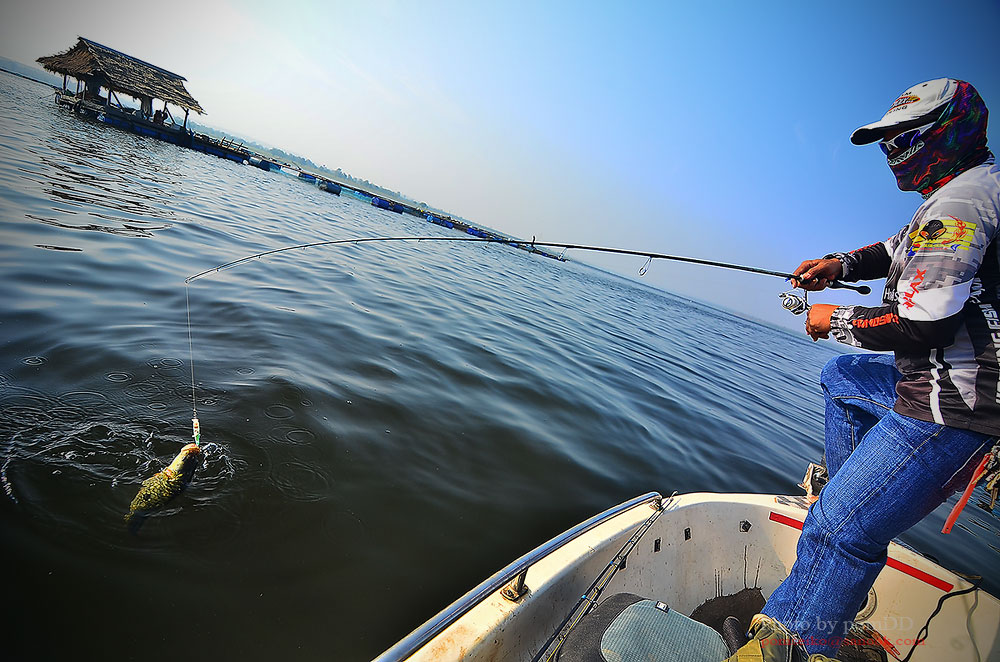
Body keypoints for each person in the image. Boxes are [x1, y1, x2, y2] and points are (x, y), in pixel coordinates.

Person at [725, 78, 999, 661]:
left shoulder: (960, 204)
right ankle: (854, 501)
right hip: (936, 386)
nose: (890, 151)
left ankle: (803, 643)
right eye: (886, 140)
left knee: (842, 530)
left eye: (901, 138)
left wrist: (838, 316)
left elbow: (925, 326)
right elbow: (893, 250)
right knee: (843, 378)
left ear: (944, 135)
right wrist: (839, 263)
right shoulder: (961, 190)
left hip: (953, 405)